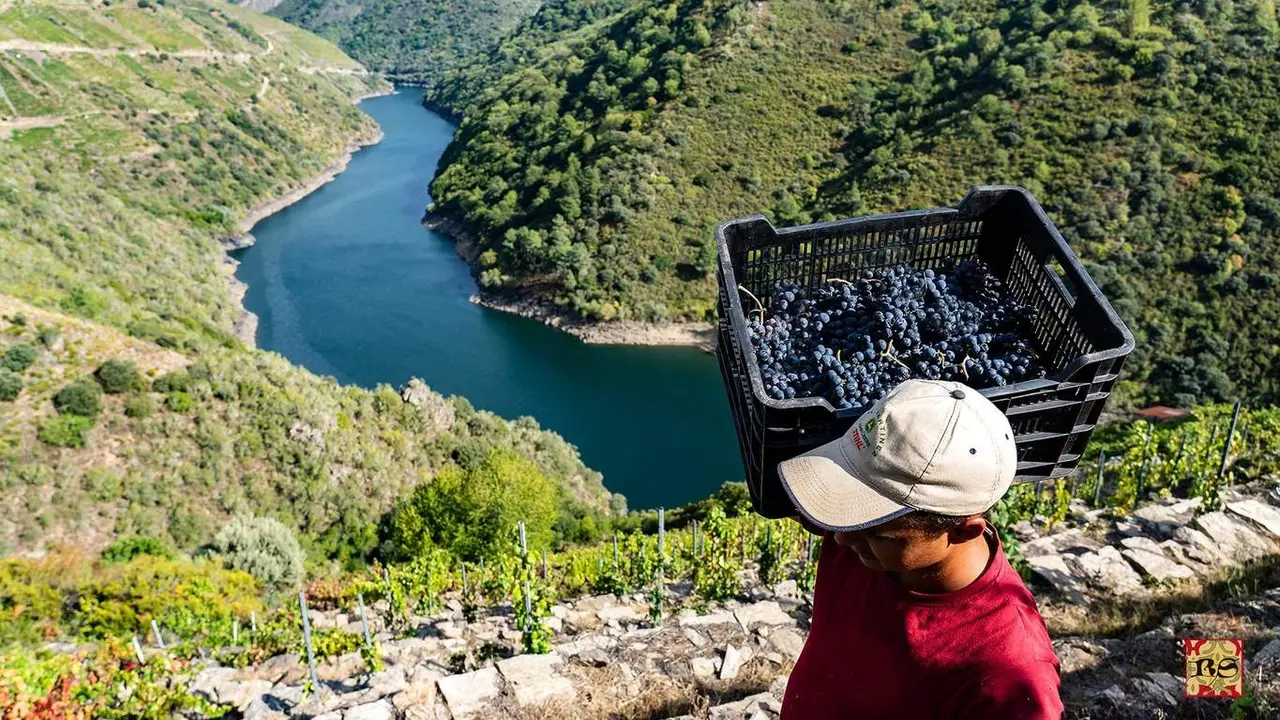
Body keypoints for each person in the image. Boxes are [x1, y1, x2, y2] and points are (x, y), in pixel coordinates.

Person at [778, 378, 1063, 719]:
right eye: (846, 511)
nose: (839, 538)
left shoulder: (1008, 670)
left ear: (962, 530)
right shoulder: (862, 538)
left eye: (878, 534)